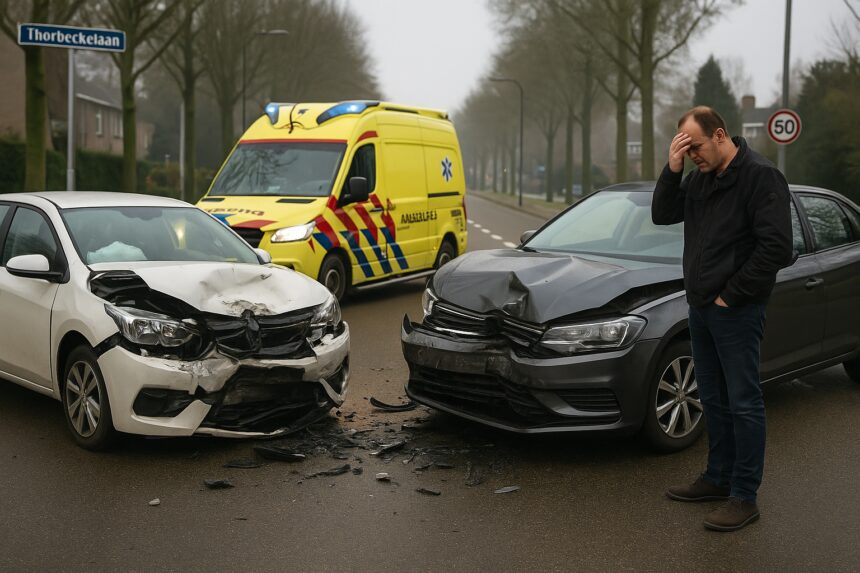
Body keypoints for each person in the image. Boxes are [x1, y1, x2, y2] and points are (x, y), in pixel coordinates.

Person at [651, 106, 793, 532]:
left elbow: (777, 248)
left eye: (694, 147)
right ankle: (717, 477)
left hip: (737, 310)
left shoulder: (760, 176)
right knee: (711, 398)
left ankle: (744, 496)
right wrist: (672, 168)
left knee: (743, 402)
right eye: (684, 149)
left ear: (719, 135)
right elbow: (662, 214)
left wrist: (731, 296)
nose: (692, 154)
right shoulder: (699, 180)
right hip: (700, 309)